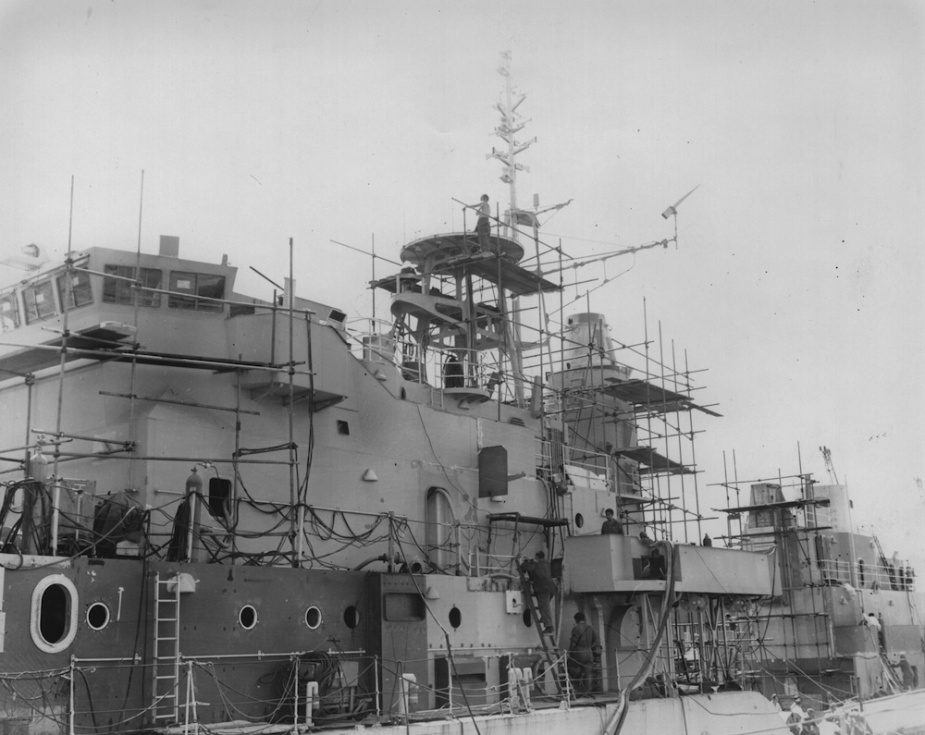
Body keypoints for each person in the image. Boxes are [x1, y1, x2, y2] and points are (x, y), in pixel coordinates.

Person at [520, 550, 556, 632]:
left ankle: (549, 626)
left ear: (537, 557)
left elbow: (525, 567)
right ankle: (544, 619)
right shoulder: (546, 563)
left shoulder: (536, 564)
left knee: (544, 607)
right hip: (551, 588)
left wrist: (525, 561)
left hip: (543, 588)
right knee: (543, 606)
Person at [567, 612, 600, 694]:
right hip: (589, 652)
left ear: (576, 619)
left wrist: (570, 651)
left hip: (579, 652)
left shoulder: (576, 628)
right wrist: (589, 646)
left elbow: (573, 643)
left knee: (569, 667)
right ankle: (587, 692)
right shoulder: (591, 628)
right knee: (588, 673)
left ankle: (578, 683)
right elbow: (596, 642)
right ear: (584, 619)